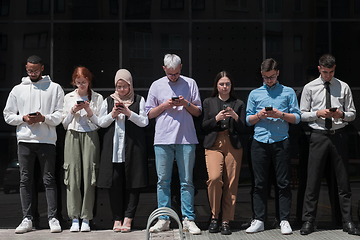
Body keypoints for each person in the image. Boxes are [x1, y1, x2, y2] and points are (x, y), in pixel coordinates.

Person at [299, 54, 360, 236]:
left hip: (339, 135)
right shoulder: (309, 88)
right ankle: (308, 221)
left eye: (331, 72)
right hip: (318, 136)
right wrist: (318, 113)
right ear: (319, 69)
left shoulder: (343, 86)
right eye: (325, 72)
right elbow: (301, 114)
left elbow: (353, 113)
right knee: (313, 180)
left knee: (343, 181)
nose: (328, 75)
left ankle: (347, 221)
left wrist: (341, 115)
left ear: (335, 69)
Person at [3, 55, 64, 234]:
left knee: (49, 180)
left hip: (46, 140)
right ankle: (27, 218)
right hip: (25, 140)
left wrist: (44, 118)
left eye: (36, 70)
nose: (32, 73)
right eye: (29, 70)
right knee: (25, 180)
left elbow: (60, 115)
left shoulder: (54, 88)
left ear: (42, 68)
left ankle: (53, 218)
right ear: (26, 68)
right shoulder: (17, 89)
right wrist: (23, 118)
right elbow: (7, 115)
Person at [146, 54, 202, 235]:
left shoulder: (190, 83)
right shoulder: (156, 85)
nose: (174, 77)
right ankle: (164, 219)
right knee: (163, 181)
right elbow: (149, 114)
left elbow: (198, 112)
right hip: (163, 138)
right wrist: (165, 105)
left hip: (186, 138)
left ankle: (188, 219)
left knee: (187, 182)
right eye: (170, 74)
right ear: (164, 69)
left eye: (176, 73)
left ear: (181, 68)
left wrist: (185, 103)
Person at [245, 58, 300, 235]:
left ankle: (284, 220)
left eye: (271, 77)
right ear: (262, 75)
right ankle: (259, 219)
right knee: (259, 183)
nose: (269, 80)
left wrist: (281, 114)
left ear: (278, 73)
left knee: (283, 183)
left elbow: (297, 118)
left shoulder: (288, 92)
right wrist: (259, 115)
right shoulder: (254, 94)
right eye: (265, 77)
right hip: (259, 142)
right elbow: (247, 120)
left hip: (281, 141)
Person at [97, 69, 148, 233]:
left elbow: (144, 121)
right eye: (119, 87)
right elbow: (100, 122)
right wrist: (112, 114)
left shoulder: (139, 100)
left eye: (125, 87)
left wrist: (128, 113)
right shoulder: (108, 100)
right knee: (115, 185)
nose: (121, 90)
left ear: (130, 85)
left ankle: (128, 218)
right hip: (114, 153)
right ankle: (117, 218)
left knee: (133, 184)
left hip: (133, 150)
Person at [201, 71, 246, 235]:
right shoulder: (208, 102)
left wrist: (235, 117)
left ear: (231, 86)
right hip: (214, 143)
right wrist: (217, 119)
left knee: (231, 183)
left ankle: (226, 220)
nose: (225, 87)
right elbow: (204, 125)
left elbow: (243, 128)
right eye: (221, 84)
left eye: (227, 84)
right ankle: (215, 216)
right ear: (217, 86)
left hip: (233, 144)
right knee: (214, 179)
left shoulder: (239, 103)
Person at [62, 66, 103, 232]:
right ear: (74, 82)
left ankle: (86, 217)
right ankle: (74, 218)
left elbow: (100, 123)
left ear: (89, 81)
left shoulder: (98, 97)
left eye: (84, 82)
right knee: (72, 176)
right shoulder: (68, 97)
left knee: (89, 175)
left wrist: (88, 110)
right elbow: (64, 124)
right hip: (72, 135)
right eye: (78, 83)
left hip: (91, 135)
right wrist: (73, 111)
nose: (81, 86)